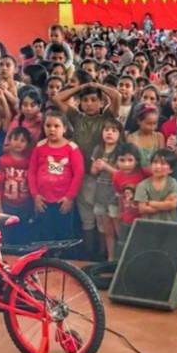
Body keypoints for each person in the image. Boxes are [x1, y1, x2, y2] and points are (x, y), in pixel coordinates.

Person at [53, 80, 120, 259]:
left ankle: (102, 254)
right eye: (85, 100)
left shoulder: (107, 117)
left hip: (102, 177)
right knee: (86, 218)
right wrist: (81, 87)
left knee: (102, 218)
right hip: (80, 176)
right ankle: (88, 254)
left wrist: (98, 86)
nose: (89, 104)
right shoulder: (77, 117)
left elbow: (116, 96)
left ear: (101, 102)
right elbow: (57, 98)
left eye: (93, 100)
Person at [28, 110, 85, 241]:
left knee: (63, 235)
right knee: (45, 234)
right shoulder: (39, 147)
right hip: (43, 201)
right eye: (48, 126)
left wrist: (69, 198)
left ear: (64, 128)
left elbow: (78, 174)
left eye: (56, 126)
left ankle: (61, 260)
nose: (52, 129)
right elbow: (31, 171)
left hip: (63, 201)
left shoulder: (72, 148)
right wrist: (35, 195)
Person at [90, 118, 124, 259]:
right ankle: (110, 259)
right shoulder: (98, 149)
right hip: (100, 195)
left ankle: (122, 260)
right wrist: (95, 167)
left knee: (119, 231)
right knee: (107, 231)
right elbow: (93, 172)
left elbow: (121, 174)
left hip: (115, 196)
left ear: (119, 134)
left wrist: (106, 167)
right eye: (106, 130)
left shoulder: (121, 150)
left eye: (113, 130)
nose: (109, 133)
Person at [0, 127, 33, 245]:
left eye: (22, 140)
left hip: (25, 205)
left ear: (27, 144)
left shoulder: (30, 161)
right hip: (7, 205)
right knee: (6, 235)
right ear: (9, 140)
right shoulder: (2, 161)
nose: (18, 143)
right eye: (15, 139)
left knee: (22, 234)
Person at [111, 143, 146, 251]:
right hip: (126, 218)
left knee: (141, 246)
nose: (126, 164)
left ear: (137, 161)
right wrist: (120, 213)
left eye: (130, 160)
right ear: (116, 161)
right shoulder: (116, 176)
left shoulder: (144, 173)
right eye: (122, 160)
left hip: (143, 219)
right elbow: (120, 196)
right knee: (124, 246)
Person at [134, 149, 177, 222]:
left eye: (163, 163)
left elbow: (173, 204)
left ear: (171, 169)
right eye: (155, 162)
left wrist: (151, 203)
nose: (158, 166)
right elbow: (142, 209)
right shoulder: (142, 185)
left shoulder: (173, 183)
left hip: (170, 225)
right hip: (149, 226)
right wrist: (165, 203)